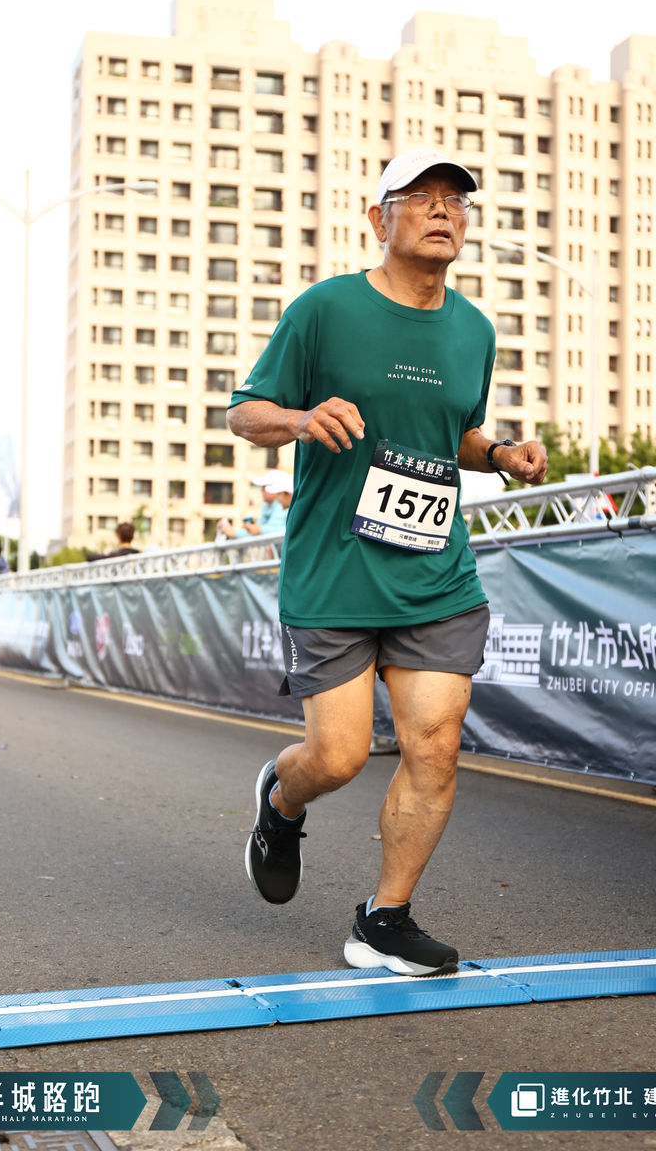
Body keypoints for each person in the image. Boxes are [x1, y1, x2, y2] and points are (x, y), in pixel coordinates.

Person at [227, 148, 548, 975]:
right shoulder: (325, 310)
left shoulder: (474, 330)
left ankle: (384, 918)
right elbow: (245, 413)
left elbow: (455, 432)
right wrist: (301, 420)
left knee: (433, 746)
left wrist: (498, 454)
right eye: (421, 196)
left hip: (435, 574)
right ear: (378, 218)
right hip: (334, 571)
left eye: (456, 201)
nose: (442, 210)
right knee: (336, 757)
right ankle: (280, 800)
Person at [216, 470, 293, 540]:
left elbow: (274, 531)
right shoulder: (268, 507)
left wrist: (235, 532)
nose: (262, 491)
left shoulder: (281, 506)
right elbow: (259, 529)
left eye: (264, 487)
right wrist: (251, 528)